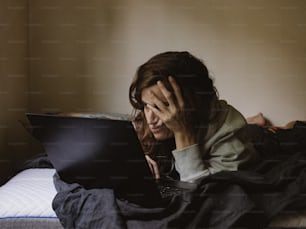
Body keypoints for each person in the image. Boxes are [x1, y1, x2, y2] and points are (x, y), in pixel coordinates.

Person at [129, 51, 258, 182]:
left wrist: (182, 132)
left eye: (162, 107)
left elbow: (200, 193)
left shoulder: (229, 132)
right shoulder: (148, 117)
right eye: (146, 106)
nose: (150, 120)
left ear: (193, 101)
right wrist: (138, 160)